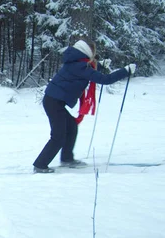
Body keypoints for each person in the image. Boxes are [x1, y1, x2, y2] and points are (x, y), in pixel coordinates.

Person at [33, 39, 136, 173]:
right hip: (54, 103)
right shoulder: (80, 66)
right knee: (58, 136)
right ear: (87, 52)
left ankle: (67, 158)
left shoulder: (75, 62)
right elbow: (105, 79)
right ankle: (40, 165)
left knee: (71, 127)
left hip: (54, 101)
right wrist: (125, 71)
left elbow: (87, 69)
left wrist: (100, 65)